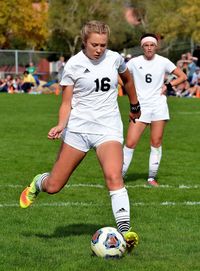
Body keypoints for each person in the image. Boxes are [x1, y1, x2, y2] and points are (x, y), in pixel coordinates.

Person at [19, 20, 141, 252]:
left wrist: (134, 104)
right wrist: (61, 125)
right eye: (94, 44)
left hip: (108, 128)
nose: (99, 49)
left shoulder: (115, 58)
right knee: (54, 186)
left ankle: (125, 233)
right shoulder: (74, 65)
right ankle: (38, 182)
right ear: (84, 42)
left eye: (103, 45)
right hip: (78, 129)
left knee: (114, 176)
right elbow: (66, 103)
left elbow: (127, 79)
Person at [122, 33, 187, 186]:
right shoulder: (133, 62)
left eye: (152, 45)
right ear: (142, 47)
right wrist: (129, 89)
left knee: (156, 142)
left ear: (156, 46)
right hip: (140, 107)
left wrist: (168, 85)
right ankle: (119, 175)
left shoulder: (163, 61)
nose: (149, 48)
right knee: (130, 142)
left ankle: (151, 177)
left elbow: (182, 76)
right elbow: (121, 76)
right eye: (146, 45)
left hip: (158, 106)